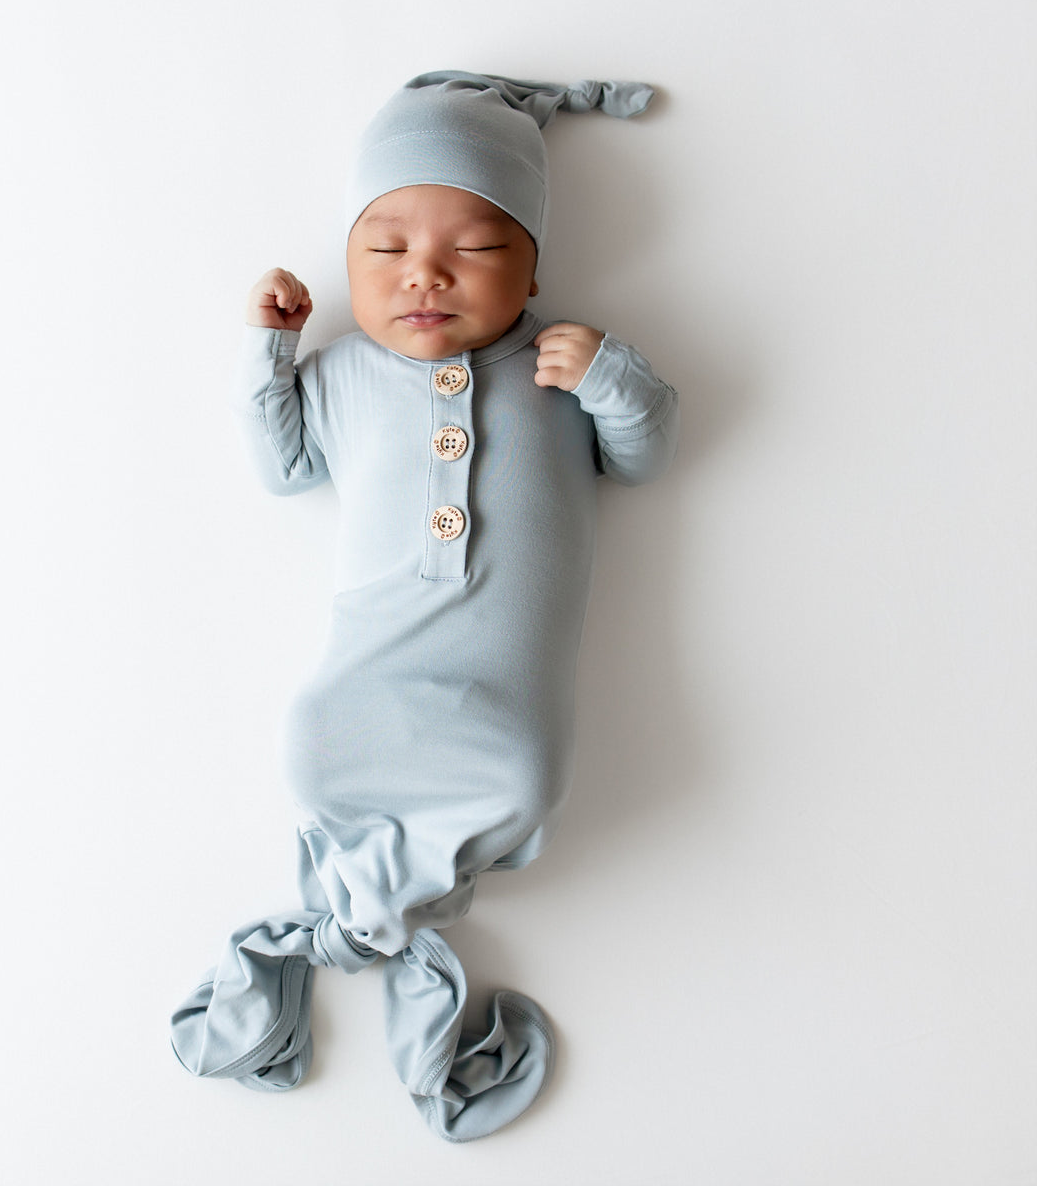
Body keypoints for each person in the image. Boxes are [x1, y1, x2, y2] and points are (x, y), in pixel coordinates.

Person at [171, 71, 680, 1142]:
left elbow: (641, 458)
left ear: (532, 263)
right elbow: (285, 465)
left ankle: (358, 943)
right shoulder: (347, 372)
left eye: (477, 250)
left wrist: (612, 378)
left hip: (505, 704)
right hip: (362, 682)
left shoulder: (559, 369)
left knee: (522, 779)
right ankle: (355, 936)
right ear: (348, 262)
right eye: (385, 249)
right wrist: (270, 352)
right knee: (313, 749)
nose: (426, 277)